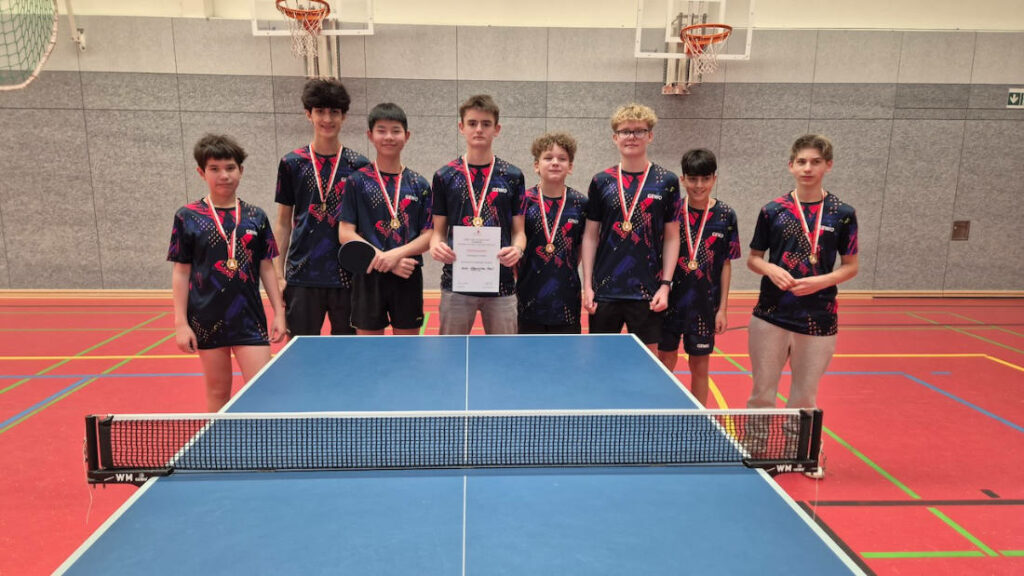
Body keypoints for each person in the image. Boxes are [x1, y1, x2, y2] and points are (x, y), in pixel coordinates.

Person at [746, 134, 859, 477]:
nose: (808, 168)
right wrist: (771, 269)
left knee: (804, 395)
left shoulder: (843, 214)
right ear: (791, 166)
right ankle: (757, 450)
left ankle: (802, 454)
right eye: (802, 162)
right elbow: (753, 259)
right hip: (771, 314)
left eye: (815, 162)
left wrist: (821, 281)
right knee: (762, 391)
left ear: (828, 166)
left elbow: (851, 266)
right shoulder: (773, 211)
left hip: (818, 318)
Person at [169, 134, 286, 411]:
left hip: (249, 319)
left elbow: (266, 266)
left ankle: (262, 441)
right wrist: (180, 323)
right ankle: (217, 440)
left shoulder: (256, 217)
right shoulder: (188, 217)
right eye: (215, 169)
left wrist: (279, 312)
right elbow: (181, 272)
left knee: (262, 391)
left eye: (230, 168)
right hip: (206, 318)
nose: (224, 175)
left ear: (240, 170)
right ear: (201, 172)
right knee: (218, 391)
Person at [273, 78, 371, 336]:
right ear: (308, 114)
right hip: (302, 274)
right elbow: (283, 222)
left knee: (348, 354)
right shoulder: (292, 163)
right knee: (301, 353)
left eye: (334, 112)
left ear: (344, 116)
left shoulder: (359, 165)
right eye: (320, 111)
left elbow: (364, 226)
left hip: (347, 276)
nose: (327, 119)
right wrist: (278, 274)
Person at [580, 104, 680, 353]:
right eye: (625, 131)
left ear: (650, 135)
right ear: (615, 137)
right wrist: (588, 286)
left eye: (639, 131)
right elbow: (590, 236)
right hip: (605, 289)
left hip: (648, 290)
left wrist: (665, 285)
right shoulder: (601, 181)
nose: (632, 137)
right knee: (601, 359)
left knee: (648, 362)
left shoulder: (666, 181)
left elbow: (671, 237)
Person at [429, 94, 526, 334]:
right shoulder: (444, 176)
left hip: (501, 282)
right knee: (452, 352)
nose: (479, 129)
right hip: (457, 282)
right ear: (461, 127)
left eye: (486, 124)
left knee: (504, 352)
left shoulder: (512, 176)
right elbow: (437, 232)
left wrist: (517, 250)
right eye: (472, 123)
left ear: (497, 129)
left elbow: (519, 232)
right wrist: (436, 246)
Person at [338, 103, 432, 335]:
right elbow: (345, 233)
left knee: (407, 350)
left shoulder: (419, 184)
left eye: (395, 130)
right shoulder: (357, 181)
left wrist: (395, 256)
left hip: (407, 274)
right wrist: (386, 260)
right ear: (370, 135)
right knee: (370, 351)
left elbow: (429, 235)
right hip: (368, 275)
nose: (389, 137)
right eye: (381, 130)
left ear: (406, 136)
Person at [657, 149, 740, 406]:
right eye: (692, 179)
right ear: (683, 179)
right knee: (664, 362)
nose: (699, 185)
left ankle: (700, 421)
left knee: (700, 367)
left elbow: (726, 264)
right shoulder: (671, 212)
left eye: (705, 178)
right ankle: (659, 415)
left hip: (704, 306)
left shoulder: (726, 216)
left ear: (714, 178)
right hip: (670, 303)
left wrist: (722, 309)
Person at [516, 132, 588, 334]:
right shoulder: (524, 201)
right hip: (528, 294)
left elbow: (581, 248)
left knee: (565, 351)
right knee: (529, 350)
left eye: (562, 159)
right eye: (548, 158)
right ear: (536, 165)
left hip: (566, 296)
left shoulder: (581, 203)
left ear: (570, 167)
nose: (555, 163)